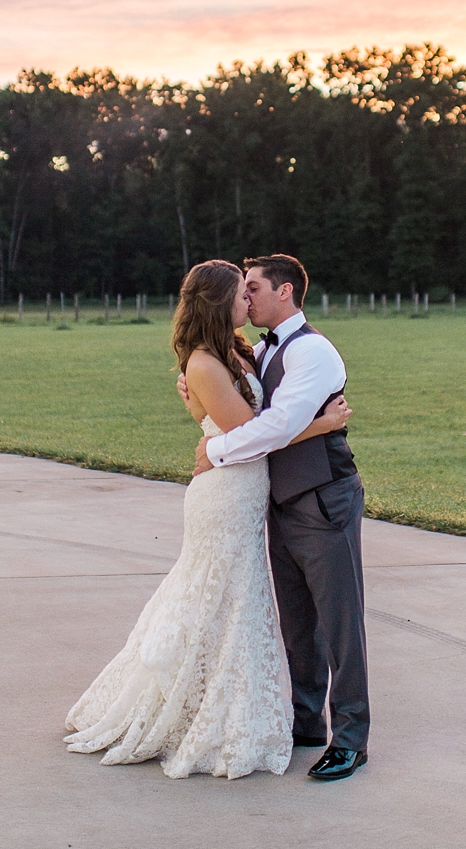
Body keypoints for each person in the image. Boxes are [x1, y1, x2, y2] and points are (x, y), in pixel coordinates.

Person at [63, 259, 349, 780]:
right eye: (243, 293)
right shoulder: (207, 361)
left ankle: (232, 708)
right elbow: (258, 432)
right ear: (222, 302)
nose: (249, 301)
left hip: (245, 492)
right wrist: (322, 424)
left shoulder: (244, 351)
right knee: (217, 597)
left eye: (254, 290)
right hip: (226, 495)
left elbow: (248, 423)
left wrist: (215, 430)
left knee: (228, 600)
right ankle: (193, 709)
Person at [190, 254, 370, 782]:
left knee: (340, 624)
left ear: (285, 291)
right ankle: (307, 721)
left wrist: (215, 450)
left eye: (253, 288)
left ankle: (352, 740)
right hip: (280, 501)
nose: (245, 298)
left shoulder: (311, 350)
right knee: (298, 623)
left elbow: (276, 426)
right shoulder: (258, 350)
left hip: (322, 498)